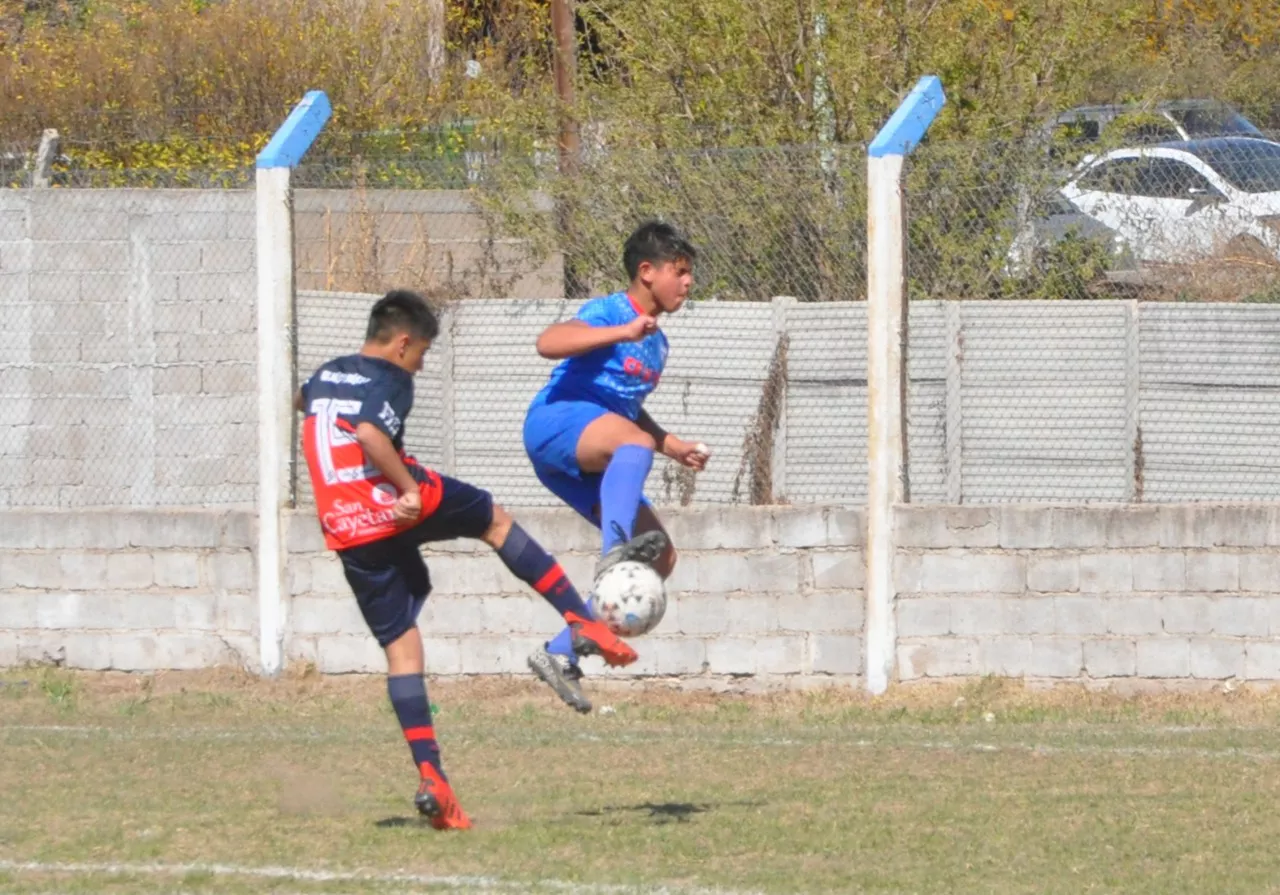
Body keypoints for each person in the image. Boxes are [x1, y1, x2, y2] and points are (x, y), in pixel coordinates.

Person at [296, 289, 639, 830]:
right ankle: (580, 619)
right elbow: (367, 432)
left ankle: (434, 778)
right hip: (391, 505)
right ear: (402, 342)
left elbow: (307, 404)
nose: (421, 364)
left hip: (345, 526)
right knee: (494, 520)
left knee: (403, 649)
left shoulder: (325, 376)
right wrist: (406, 488)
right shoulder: (391, 378)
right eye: (422, 353)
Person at [522, 221, 708, 713]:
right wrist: (620, 330)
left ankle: (560, 653)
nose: (688, 283)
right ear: (647, 272)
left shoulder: (658, 344)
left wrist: (671, 445)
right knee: (634, 444)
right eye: (680, 272)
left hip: (595, 450)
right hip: (556, 424)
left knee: (663, 556)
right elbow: (549, 342)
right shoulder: (611, 311)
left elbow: (628, 412)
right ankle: (613, 557)